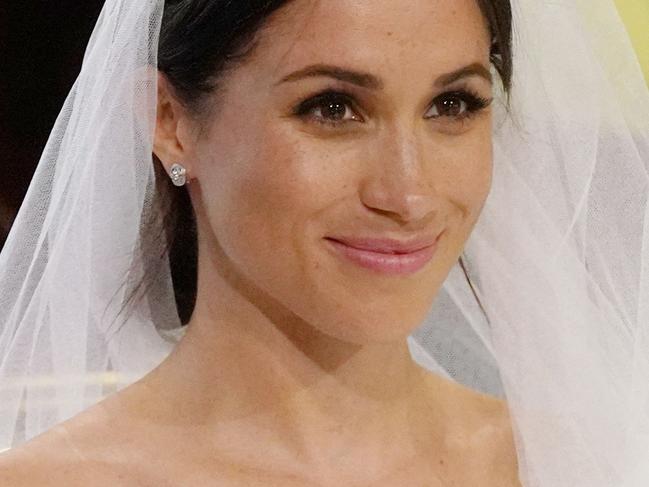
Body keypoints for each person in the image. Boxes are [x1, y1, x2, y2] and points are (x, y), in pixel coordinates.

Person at [0, 0, 647, 485]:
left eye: (451, 105)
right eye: (331, 107)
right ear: (170, 122)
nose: (408, 193)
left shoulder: (583, 461)